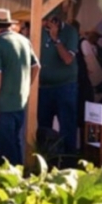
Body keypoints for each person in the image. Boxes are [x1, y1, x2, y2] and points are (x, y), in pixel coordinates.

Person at [0, 8, 40, 165]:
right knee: (15, 145)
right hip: (19, 102)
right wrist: (25, 86)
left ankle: (9, 184)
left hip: (2, 105)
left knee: (5, 150)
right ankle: (19, 182)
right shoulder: (23, 40)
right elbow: (37, 67)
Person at [38, 12, 80, 156]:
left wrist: (55, 39)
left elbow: (68, 59)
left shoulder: (70, 32)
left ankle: (68, 159)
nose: (47, 23)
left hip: (65, 86)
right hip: (43, 87)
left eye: (51, 20)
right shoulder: (38, 32)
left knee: (67, 125)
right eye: (45, 20)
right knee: (43, 126)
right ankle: (45, 158)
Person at [81, 29, 102, 103]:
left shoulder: (101, 50)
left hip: (99, 79)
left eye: (96, 36)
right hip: (87, 79)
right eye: (92, 35)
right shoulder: (82, 46)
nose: (94, 38)